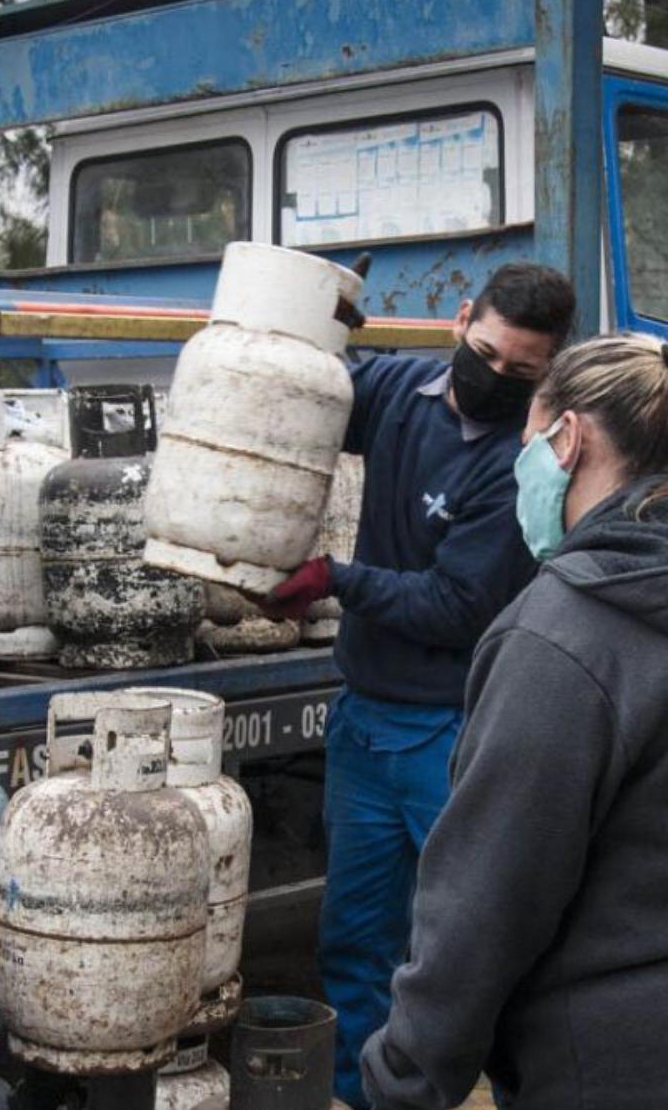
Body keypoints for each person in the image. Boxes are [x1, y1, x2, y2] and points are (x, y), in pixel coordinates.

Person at [357, 324, 668, 1110]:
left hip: (634, 1071)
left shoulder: (561, 633)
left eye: (525, 439)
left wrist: (403, 1080)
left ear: (566, 439)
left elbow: (484, 905)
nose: (515, 463)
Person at [258, 262, 576, 1110]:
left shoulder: (523, 467)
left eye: (522, 372)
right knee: (354, 939)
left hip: (453, 734)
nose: (496, 378)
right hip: (364, 723)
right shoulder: (398, 387)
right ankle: (359, 1097)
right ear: (461, 318)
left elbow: (455, 605)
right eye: (486, 353)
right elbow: (308, 401)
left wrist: (334, 577)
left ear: (549, 370)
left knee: (470, 950)